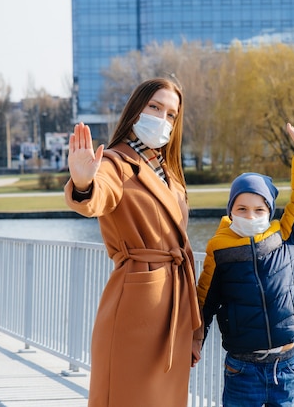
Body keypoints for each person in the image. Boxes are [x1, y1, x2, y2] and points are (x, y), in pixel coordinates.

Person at [64, 78, 202, 407]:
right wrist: (84, 183)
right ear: (136, 109)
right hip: (137, 306)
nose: (162, 118)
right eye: (155, 107)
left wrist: (194, 330)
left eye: (171, 114)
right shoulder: (114, 162)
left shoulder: (170, 172)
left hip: (173, 305)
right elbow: (97, 196)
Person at [196, 123, 294, 407]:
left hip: (286, 368)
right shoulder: (220, 247)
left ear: (269, 211)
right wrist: (195, 339)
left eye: (259, 209)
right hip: (242, 369)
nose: (250, 215)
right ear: (230, 211)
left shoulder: (285, 236)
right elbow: (205, 300)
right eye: (242, 209)